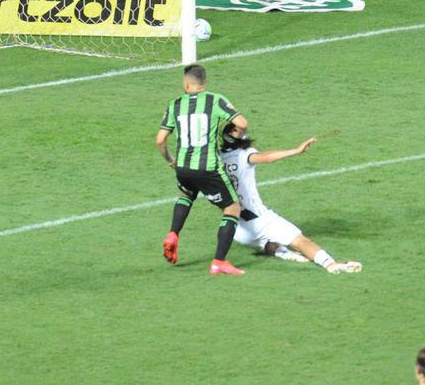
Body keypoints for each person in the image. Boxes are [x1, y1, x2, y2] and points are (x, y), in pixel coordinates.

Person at [220, 118, 362, 274]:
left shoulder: (217, 159)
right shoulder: (244, 154)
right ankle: (330, 264)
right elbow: (267, 157)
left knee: (265, 240)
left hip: (236, 229)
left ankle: (283, 253)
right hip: (259, 220)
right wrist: (296, 150)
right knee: (301, 241)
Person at [155, 64, 247, 275]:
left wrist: (171, 161)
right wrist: (232, 136)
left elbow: (160, 140)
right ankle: (219, 262)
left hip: (183, 167)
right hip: (208, 167)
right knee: (233, 208)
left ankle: (173, 234)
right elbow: (242, 123)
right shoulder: (215, 100)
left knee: (186, 194)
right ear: (204, 83)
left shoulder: (175, 104)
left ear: (186, 84)